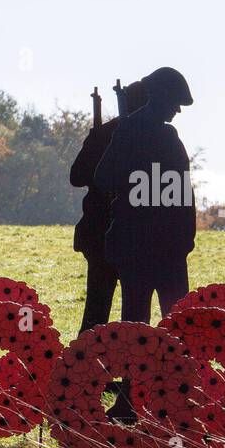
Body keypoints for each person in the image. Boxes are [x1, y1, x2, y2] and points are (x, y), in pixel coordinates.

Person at [93, 67, 196, 326]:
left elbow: (183, 192)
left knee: (172, 324)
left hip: (161, 246)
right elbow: (104, 178)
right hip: (145, 245)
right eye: (175, 103)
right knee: (142, 327)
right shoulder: (133, 133)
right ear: (160, 97)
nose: (178, 110)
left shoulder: (157, 135)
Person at [68, 81, 146, 333]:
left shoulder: (118, 135)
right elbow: (77, 177)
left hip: (115, 233)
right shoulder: (134, 136)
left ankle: (87, 363)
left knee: (101, 310)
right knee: (118, 312)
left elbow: (78, 177)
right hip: (113, 232)